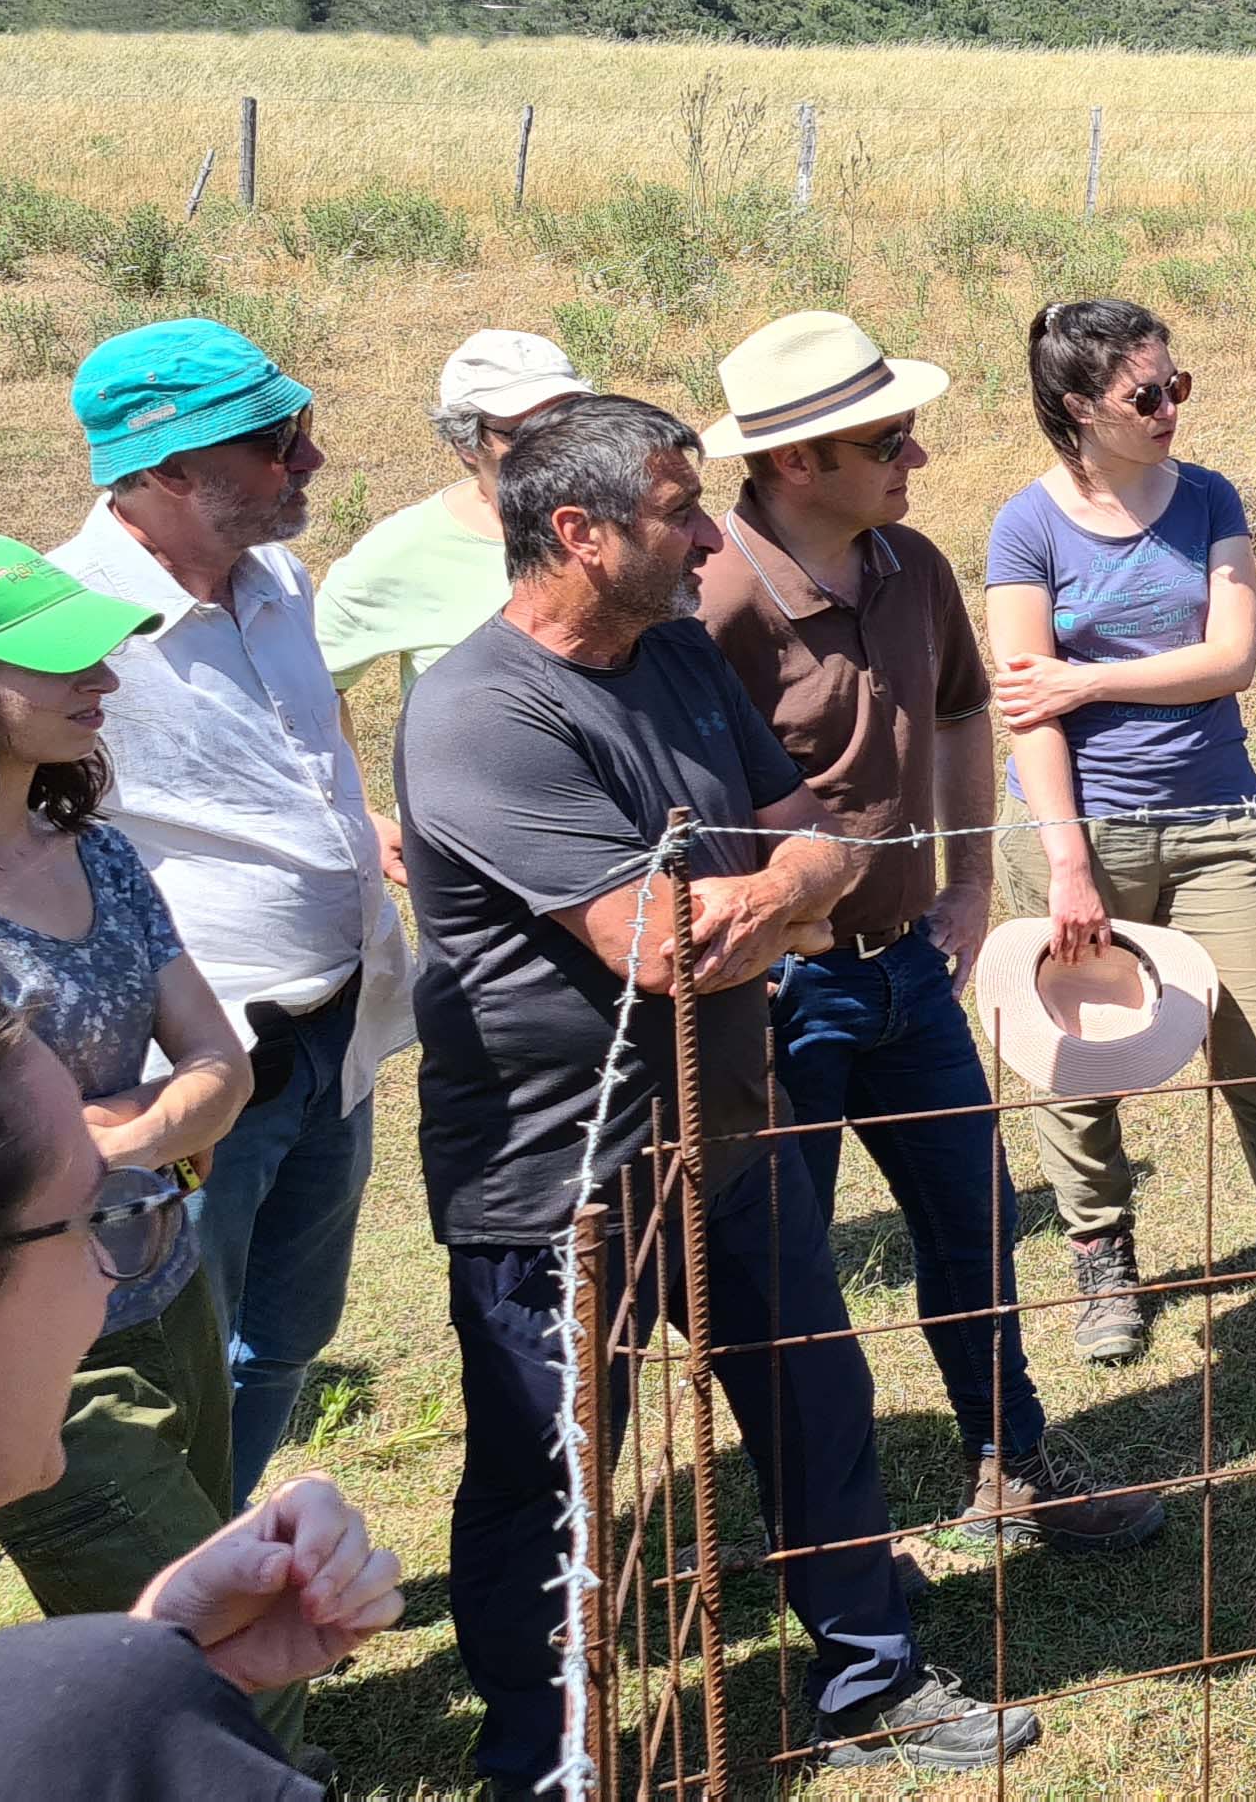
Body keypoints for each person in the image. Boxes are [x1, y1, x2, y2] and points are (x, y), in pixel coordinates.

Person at [398, 395, 1038, 1783]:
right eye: (679, 511)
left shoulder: (680, 653)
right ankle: (546, 1750)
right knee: (550, 1478)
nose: (706, 534)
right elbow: (658, 947)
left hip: (727, 1129)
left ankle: (871, 1681)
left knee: (816, 1401)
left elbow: (818, 834)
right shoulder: (478, 716)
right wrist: (772, 903)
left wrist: (775, 891)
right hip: (556, 1183)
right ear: (576, 533)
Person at [693, 311, 1159, 1550]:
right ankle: (818, 1527)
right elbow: (676, 800)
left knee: (975, 1231)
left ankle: (1012, 1470)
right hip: (777, 999)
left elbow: (964, 710)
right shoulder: (716, 597)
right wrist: (774, 933)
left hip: (906, 970)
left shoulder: (910, 565)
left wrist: (964, 883)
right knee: (781, 1278)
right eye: (890, 438)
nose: (919, 458)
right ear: (795, 462)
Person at [0, 935, 403, 1800]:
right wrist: (131, 1722)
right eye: (95, 1217)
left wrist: (164, 1653)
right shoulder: (97, 1733)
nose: (122, 1262)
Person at [988, 300, 1256, 1394]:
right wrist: (1068, 860)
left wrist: (1091, 677)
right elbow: (1026, 708)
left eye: (1179, 387)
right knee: (1075, 1065)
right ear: (1079, 408)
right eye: (1146, 395)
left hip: (1218, 826)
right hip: (1084, 834)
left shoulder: (1211, 498)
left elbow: (1231, 659)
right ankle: (1101, 1258)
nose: (1173, 409)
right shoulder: (1024, 529)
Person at [0, 534, 265, 1645]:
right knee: (213, 1645)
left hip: (166, 1286)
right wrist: (163, 1122)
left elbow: (224, 1065)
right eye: (61, 660)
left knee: (207, 1614)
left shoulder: (97, 854)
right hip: (33, 1348)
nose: (105, 678)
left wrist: (126, 1143)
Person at [48, 317, 418, 1506]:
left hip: (335, 1026)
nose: (308, 460)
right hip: (202, 1060)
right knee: (179, 1353)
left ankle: (221, 1556)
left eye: (298, 430)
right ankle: (189, 1620)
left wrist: (356, 825)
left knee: (289, 1331)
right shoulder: (64, 625)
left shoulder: (281, 577)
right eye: (274, 442)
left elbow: (307, 747)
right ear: (157, 473)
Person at [315, 328, 594, 711]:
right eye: (524, 432)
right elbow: (308, 684)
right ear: (466, 443)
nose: (556, 443)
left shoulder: (632, 517)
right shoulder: (406, 550)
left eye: (568, 420)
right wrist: (346, 774)